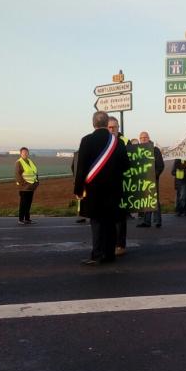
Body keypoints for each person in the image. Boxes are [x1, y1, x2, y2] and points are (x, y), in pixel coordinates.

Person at [74, 111, 129, 265]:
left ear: (93, 123)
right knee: (111, 222)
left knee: (97, 223)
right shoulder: (118, 142)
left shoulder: (86, 140)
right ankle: (109, 254)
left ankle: (97, 255)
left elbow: (81, 168)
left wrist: (78, 189)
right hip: (113, 190)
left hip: (93, 191)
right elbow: (126, 166)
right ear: (107, 124)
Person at [107, 116, 131, 256]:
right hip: (105, 187)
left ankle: (120, 245)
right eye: (109, 127)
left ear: (118, 128)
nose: (112, 130)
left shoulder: (124, 142)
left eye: (114, 127)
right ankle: (109, 244)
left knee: (120, 218)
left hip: (122, 184)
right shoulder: (103, 141)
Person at [136, 132, 165, 228]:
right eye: (141, 138)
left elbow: (161, 165)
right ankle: (146, 221)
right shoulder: (137, 151)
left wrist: (154, 176)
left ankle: (157, 221)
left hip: (152, 179)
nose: (143, 139)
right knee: (146, 200)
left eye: (145, 137)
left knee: (154, 199)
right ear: (139, 139)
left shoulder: (155, 150)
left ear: (149, 138)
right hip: (142, 180)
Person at [14, 147, 39, 224]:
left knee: (28, 204)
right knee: (23, 204)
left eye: (26, 152)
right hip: (23, 188)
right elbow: (18, 176)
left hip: (31, 187)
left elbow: (35, 172)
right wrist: (26, 184)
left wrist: (36, 182)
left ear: (28, 153)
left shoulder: (31, 161)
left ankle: (27, 219)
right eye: (23, 152)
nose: (25, 153)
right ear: (20, 154)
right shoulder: (18, 162)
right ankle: (21, 219)